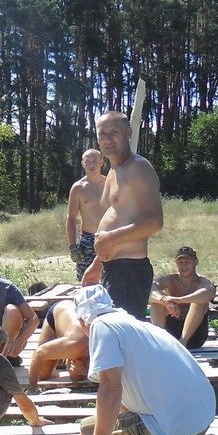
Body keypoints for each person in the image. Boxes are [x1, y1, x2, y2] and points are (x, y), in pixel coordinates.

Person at [73, 285, 215, 435]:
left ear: (82, 320)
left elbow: (111, 388)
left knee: (87, 429)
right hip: (201, 421)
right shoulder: (136, 324)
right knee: (102, 421)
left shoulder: (100, 326)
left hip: (174, 430)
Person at [81, 110, 163, 320]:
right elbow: (117, 217)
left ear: (128, 132)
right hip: (113, 269)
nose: (107, 139)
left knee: (123, 340)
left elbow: (154, 222)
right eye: (102, 134)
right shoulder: (114, 172)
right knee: (110, 334)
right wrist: (96, 265)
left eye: (114, 132)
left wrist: (109, 238)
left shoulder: (138, 167)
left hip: (130, 272)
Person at [150, 245, 217, 349]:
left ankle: (183, 342)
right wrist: (166, 301)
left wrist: (179, 300)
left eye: (187, 262)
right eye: (180, 262)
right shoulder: (170, 280)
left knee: (199, 302)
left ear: (195, 262)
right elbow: (151, 288)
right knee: (156, 302)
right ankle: (158, 341)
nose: (184, 266)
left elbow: (209, 292)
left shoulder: (202, 282)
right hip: (171, 330)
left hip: (195, 336)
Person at [27, 299, 90, 387]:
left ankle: (61, 355)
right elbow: (38, 353)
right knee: (43, 375)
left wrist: (83, 372)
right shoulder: (77, 343)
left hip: (76, 337)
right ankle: (59, 352)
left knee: (77, 375)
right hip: (59, 313)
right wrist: (32, 390)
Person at [66, 148, 107, 280]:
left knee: (110, 280)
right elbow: (71, 218)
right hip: (87, 241)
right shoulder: (78, 188)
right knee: (86, 281)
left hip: (110, 238)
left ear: (102, 162)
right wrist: (72, 247)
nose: (91, 164)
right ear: (82, 163)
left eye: (95, 160)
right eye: (87, 161)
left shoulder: (111, 184)